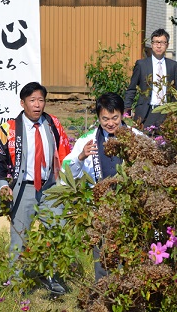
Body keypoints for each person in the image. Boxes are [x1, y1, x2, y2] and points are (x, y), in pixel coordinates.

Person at [0, 82, 71, 295]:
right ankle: (16, 284)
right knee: (19, 239)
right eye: (32, 100)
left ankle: (54, 280)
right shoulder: (9, 129)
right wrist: (3, 185)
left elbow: (65, 153)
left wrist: (66, 184)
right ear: (23, 103)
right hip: (24, 189)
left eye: (41, 100)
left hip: (50, 188)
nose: (37, 105)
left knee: (57, 234)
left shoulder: (53, 123)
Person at [63, 92, 141, 281]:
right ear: (98, 118)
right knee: (103, 252)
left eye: (115, 117)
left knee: (131, 251)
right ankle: (103, 294)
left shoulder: (137, 137)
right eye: (105, 119)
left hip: (130, 205)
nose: (111, 123)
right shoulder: (88, 140)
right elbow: (66, 173)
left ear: (123, 114)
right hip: (100, 206)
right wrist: (81, 156)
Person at [124, 28, 177, 130]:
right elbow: (132, 88)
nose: (159, 46)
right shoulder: (141, 64)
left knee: (164, 143)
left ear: (167, 45)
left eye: (162, 43)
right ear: (151, 44)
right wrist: (127, 107)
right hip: (146, 111)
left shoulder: (173, 66)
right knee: (144, 142)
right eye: (156, 42)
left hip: (165, 112)